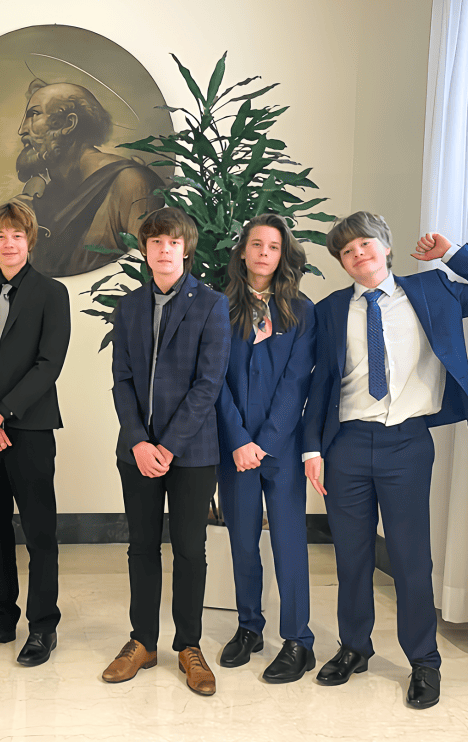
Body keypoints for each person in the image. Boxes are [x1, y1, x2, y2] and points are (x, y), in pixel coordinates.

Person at [302, 212, 468, 709]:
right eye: (347, 251)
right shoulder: (331, 309)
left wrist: (452, 254)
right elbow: (320, 382)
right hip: (345, 446)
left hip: (407, 444)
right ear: (341, 263)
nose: (358, 254)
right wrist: (312, 448)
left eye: (365, 243)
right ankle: (354, 648)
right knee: (351, 557)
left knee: (410, 559)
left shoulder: (433, 290)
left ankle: (424, 661)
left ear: (385, 246)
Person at [102, 207, 230, 695]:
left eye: (172, 242)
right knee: (141, 546)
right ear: (144, 250)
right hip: (136, 451)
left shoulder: (212, 305)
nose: (163, 250)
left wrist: (168, 447)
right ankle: (142, 642)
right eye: (154, 242)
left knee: (190, 549)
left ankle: (189, 646)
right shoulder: (129, 307)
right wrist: (139, 441)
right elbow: (121, 379)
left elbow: (208, 384)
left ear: (185, 248)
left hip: (192, 452)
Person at [0, 200, 70, 667]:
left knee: (40, 531)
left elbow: (49, 364)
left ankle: (43, 626)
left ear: (29, 240)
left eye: (16, 235)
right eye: (0, 236)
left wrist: (1, 414)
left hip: (31, 427)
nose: (8, 244)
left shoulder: (52, 293)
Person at [214, 214, 317, 682]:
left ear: (282, 255)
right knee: (242, 540)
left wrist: (267, 442)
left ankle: (298, 640)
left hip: (282, 447)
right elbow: (214, 380)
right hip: (234, 448)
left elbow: (297, 382)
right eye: (256, 244)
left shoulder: (302, 311)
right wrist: (238, 440)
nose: (263, 253)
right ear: (242, 251)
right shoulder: (218, 307)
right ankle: (249, 627)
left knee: (289, 543)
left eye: (273, 247)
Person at [0, 80, 164, 278]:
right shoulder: (37, 200)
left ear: (68, 124)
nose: (22, 129)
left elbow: (145, 271)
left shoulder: (130, 183)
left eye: (34, 115)